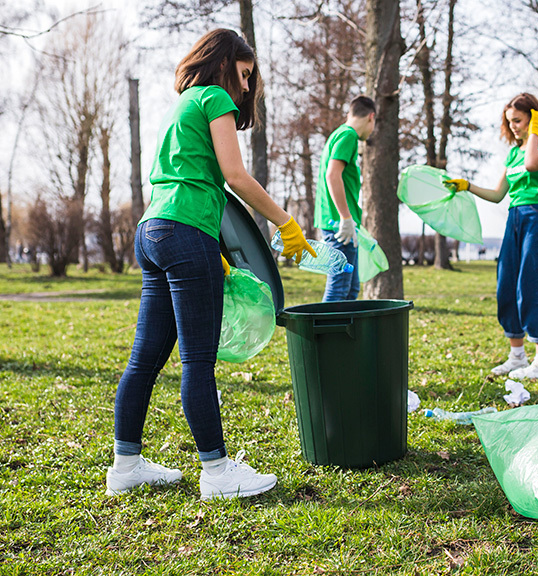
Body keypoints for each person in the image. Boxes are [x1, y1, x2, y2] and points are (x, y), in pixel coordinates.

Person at [106, 29, 315, 500]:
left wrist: (214, 251)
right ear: (224, 64)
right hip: (184, 234)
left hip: (154, 230)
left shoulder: (181, 104)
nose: (244, 88)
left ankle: (126, 465)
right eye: (244, 75)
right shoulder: (216, 97)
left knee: (144, 360)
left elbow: (194, 180)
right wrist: (285, 222)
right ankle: (217, 473)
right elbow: (234, 176)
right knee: (198, 362)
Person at [445, 93, 538, 380]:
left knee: (529, 286)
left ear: (534, 118)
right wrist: (467, 186)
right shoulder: (512, 154)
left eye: (518, 121)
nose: (513, 128)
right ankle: (517, 356)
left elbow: (533, 164)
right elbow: (498, 195)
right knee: (506, 284)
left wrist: (534, 132)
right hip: (515, 218)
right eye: (510, 122)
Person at [314, 95, 377, 302]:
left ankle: (344, 334)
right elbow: (332, 175)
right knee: (339, 289)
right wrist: (346, 218)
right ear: (371, 117)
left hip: (340, 223)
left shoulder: (339, 135)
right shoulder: (348, 136)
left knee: (350, 290)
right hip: (339, 225)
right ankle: (324, 334)